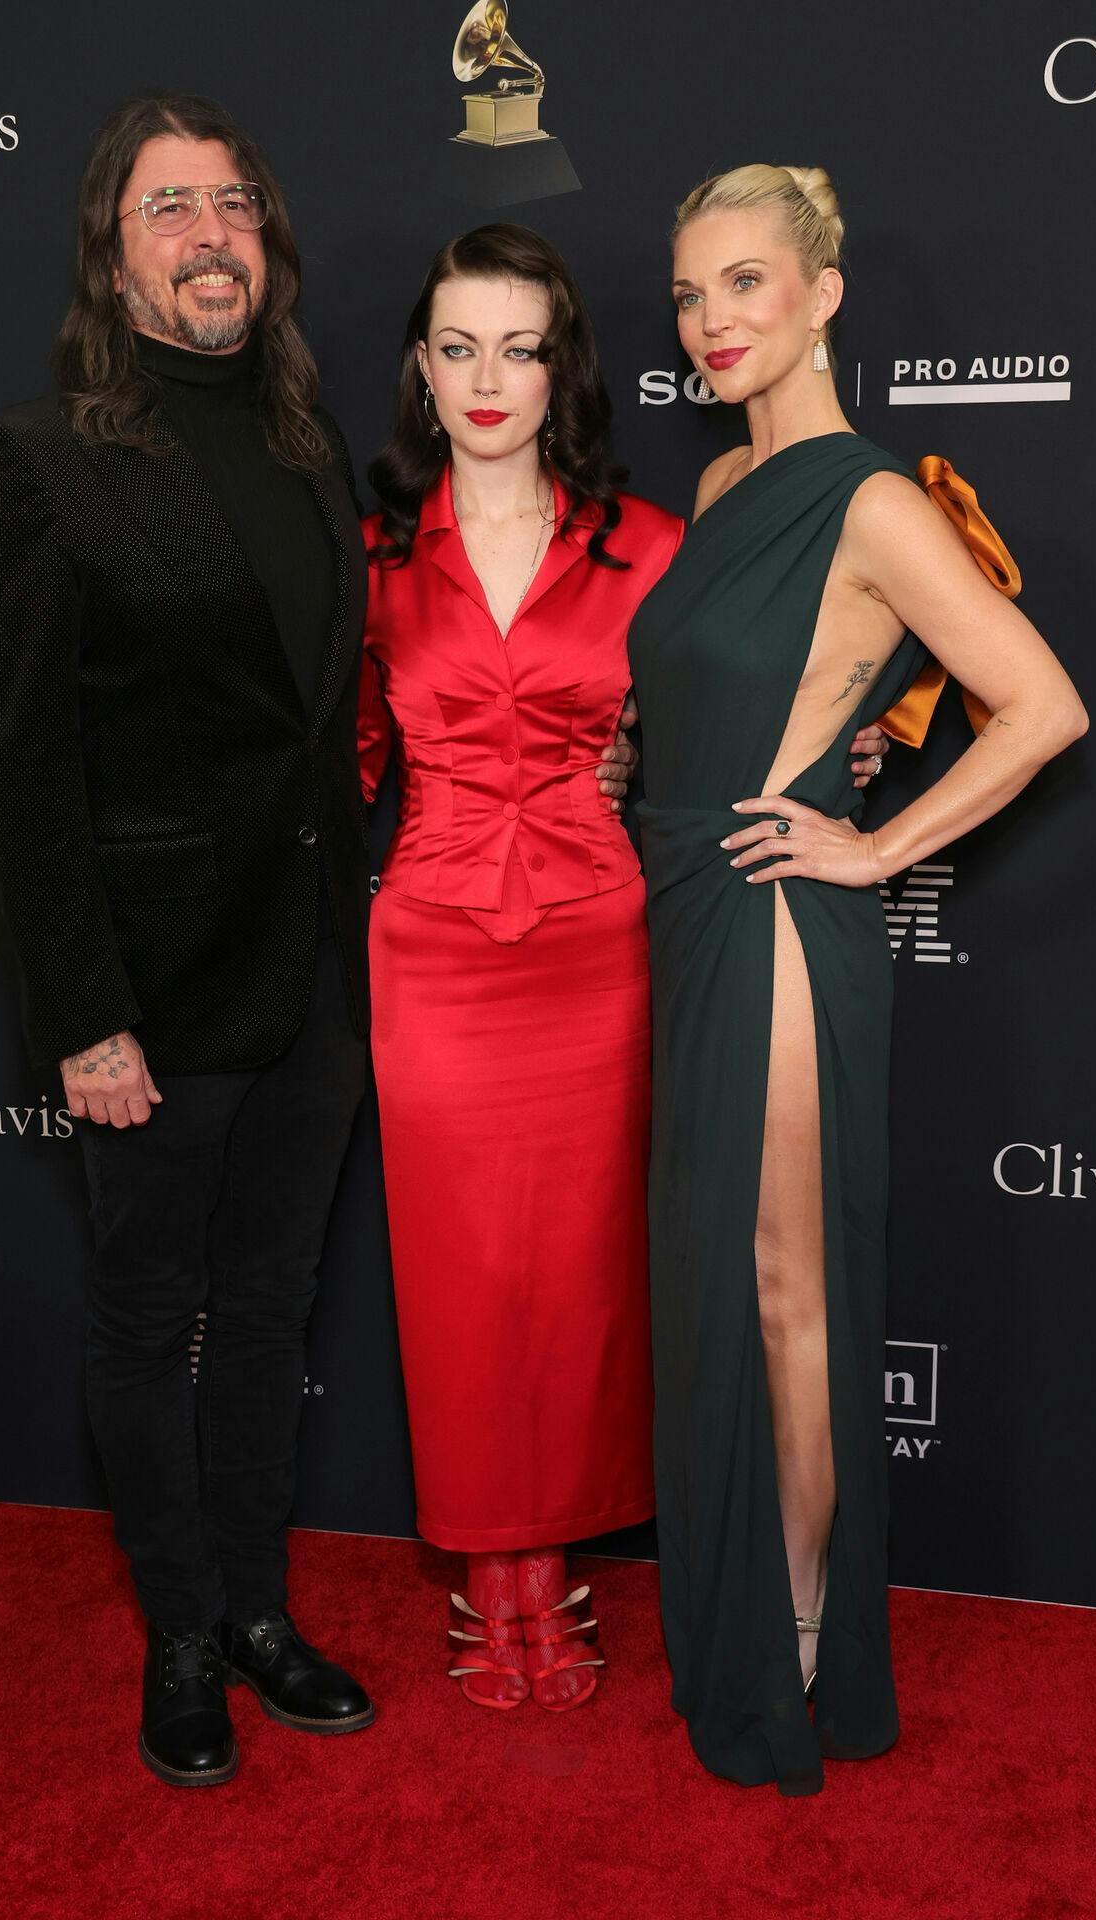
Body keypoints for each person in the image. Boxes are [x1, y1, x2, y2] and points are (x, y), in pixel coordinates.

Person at [357, 224, 892, 1711]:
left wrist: (836, 756)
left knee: (592, 1274)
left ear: (561, 371)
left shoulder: (651, 545)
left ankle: (564, 1559)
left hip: (603, 948)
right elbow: (341, 760)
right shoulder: (372, 560)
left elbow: (747, 693)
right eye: (456, 347)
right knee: (460, 1278)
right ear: (419, 370)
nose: (487, 379)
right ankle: (497, 1577)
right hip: (432, 953)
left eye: (519, 348)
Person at [628, 164, 1087, 1794]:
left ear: (822, 295)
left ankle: (802, 1644)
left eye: (744, 283)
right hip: (687, 914)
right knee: (714, 1288)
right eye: (688, 295)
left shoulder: (875, 501)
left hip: (775, 933)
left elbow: (1042, 707)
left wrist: (876, 848)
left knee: (784, 1293)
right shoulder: (714, 485)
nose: (711, 321)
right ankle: (746, 1618)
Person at [0, 94, 378, 1788]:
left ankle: (260, 1609)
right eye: (170, 207)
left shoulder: (306, 446)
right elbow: (17, 772)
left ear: (267, 245)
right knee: (148, 1315)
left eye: (234, 204)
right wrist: (83, 1012)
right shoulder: (36, 464)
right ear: (112, 255)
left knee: (269, 1307)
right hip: (151, 986)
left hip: (314, 973)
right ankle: (182, 1632)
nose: (211, 234)